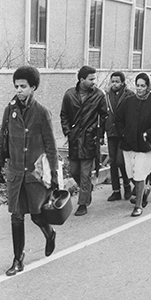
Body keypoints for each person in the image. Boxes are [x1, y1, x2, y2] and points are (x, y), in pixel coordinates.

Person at [0, 66, 59, 276]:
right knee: (16, 216)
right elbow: (3, 138)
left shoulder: (42, 113)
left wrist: (55, 178)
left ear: (33, 87)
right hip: (15, 174)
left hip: (35, 175)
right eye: (16, 86)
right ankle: (18, 259)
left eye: (23, 86)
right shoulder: (9, 110)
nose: (19, 90)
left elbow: (51, 147)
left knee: (37, 215)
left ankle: (49, 234)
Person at [115, 73, 151, 216]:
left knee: (139, 175)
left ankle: (138, 206)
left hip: (146, 146)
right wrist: (124, 133)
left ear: (148, 87)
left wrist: (147, 134)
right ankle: (143, 189)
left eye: (143, 86)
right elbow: (118, 120)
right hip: (129, 143)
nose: (139, 88)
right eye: (137, 85)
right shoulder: (128, 101)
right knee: (131, 173)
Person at [60, 66, 108, 216]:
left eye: (95, 79)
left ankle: (83, 203)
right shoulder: (69, 95)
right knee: (74, 171)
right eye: (91, 79)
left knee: (85, 173)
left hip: (89, 140)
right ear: (82, 80)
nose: (94, 82)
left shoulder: (99, 95)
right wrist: (68, 131)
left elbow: (104, 116)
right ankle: (87, 190)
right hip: (74, 140)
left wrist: (96, 132)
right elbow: (64, 115)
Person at [104, 71, 134, 201]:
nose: (114, 84)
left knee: (121, 161)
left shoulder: (128, 95)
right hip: (111, 132)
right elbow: (103, 114)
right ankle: (116, 190)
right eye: (112, 81)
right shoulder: (106, 95)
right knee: (113, 162)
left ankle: (127, 185)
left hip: (124, 133)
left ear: (122, 82)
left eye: (117, 82)